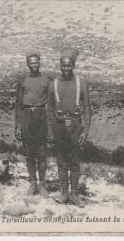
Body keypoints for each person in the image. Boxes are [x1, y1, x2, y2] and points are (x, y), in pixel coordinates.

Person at [47, 48, 91, 207]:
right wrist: (51, 132)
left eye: (69, 66)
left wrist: (85, 131)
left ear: (73, 66)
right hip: (59, 127)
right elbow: (50, 110)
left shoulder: (81, 82)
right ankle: (64, 193)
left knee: (74, 162)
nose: (66, 69)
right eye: (63, 66)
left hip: (75, 127)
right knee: (61, 162)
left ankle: (74, 194)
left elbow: (87, 108)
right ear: (60, 66)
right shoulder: (54, 84)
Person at [15, 52, 50, 196]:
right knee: (29, 153)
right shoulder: (23, 80)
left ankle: (42, 184)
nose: (34, 64)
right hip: (26, 117)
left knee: (42, 153)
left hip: (41, 117)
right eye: (32, 62)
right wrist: (17, 125)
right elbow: (18, 104)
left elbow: (51, 102)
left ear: (39, 63)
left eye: (36, 62)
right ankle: (33, 183)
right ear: (28, 64)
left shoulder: (47, 80)